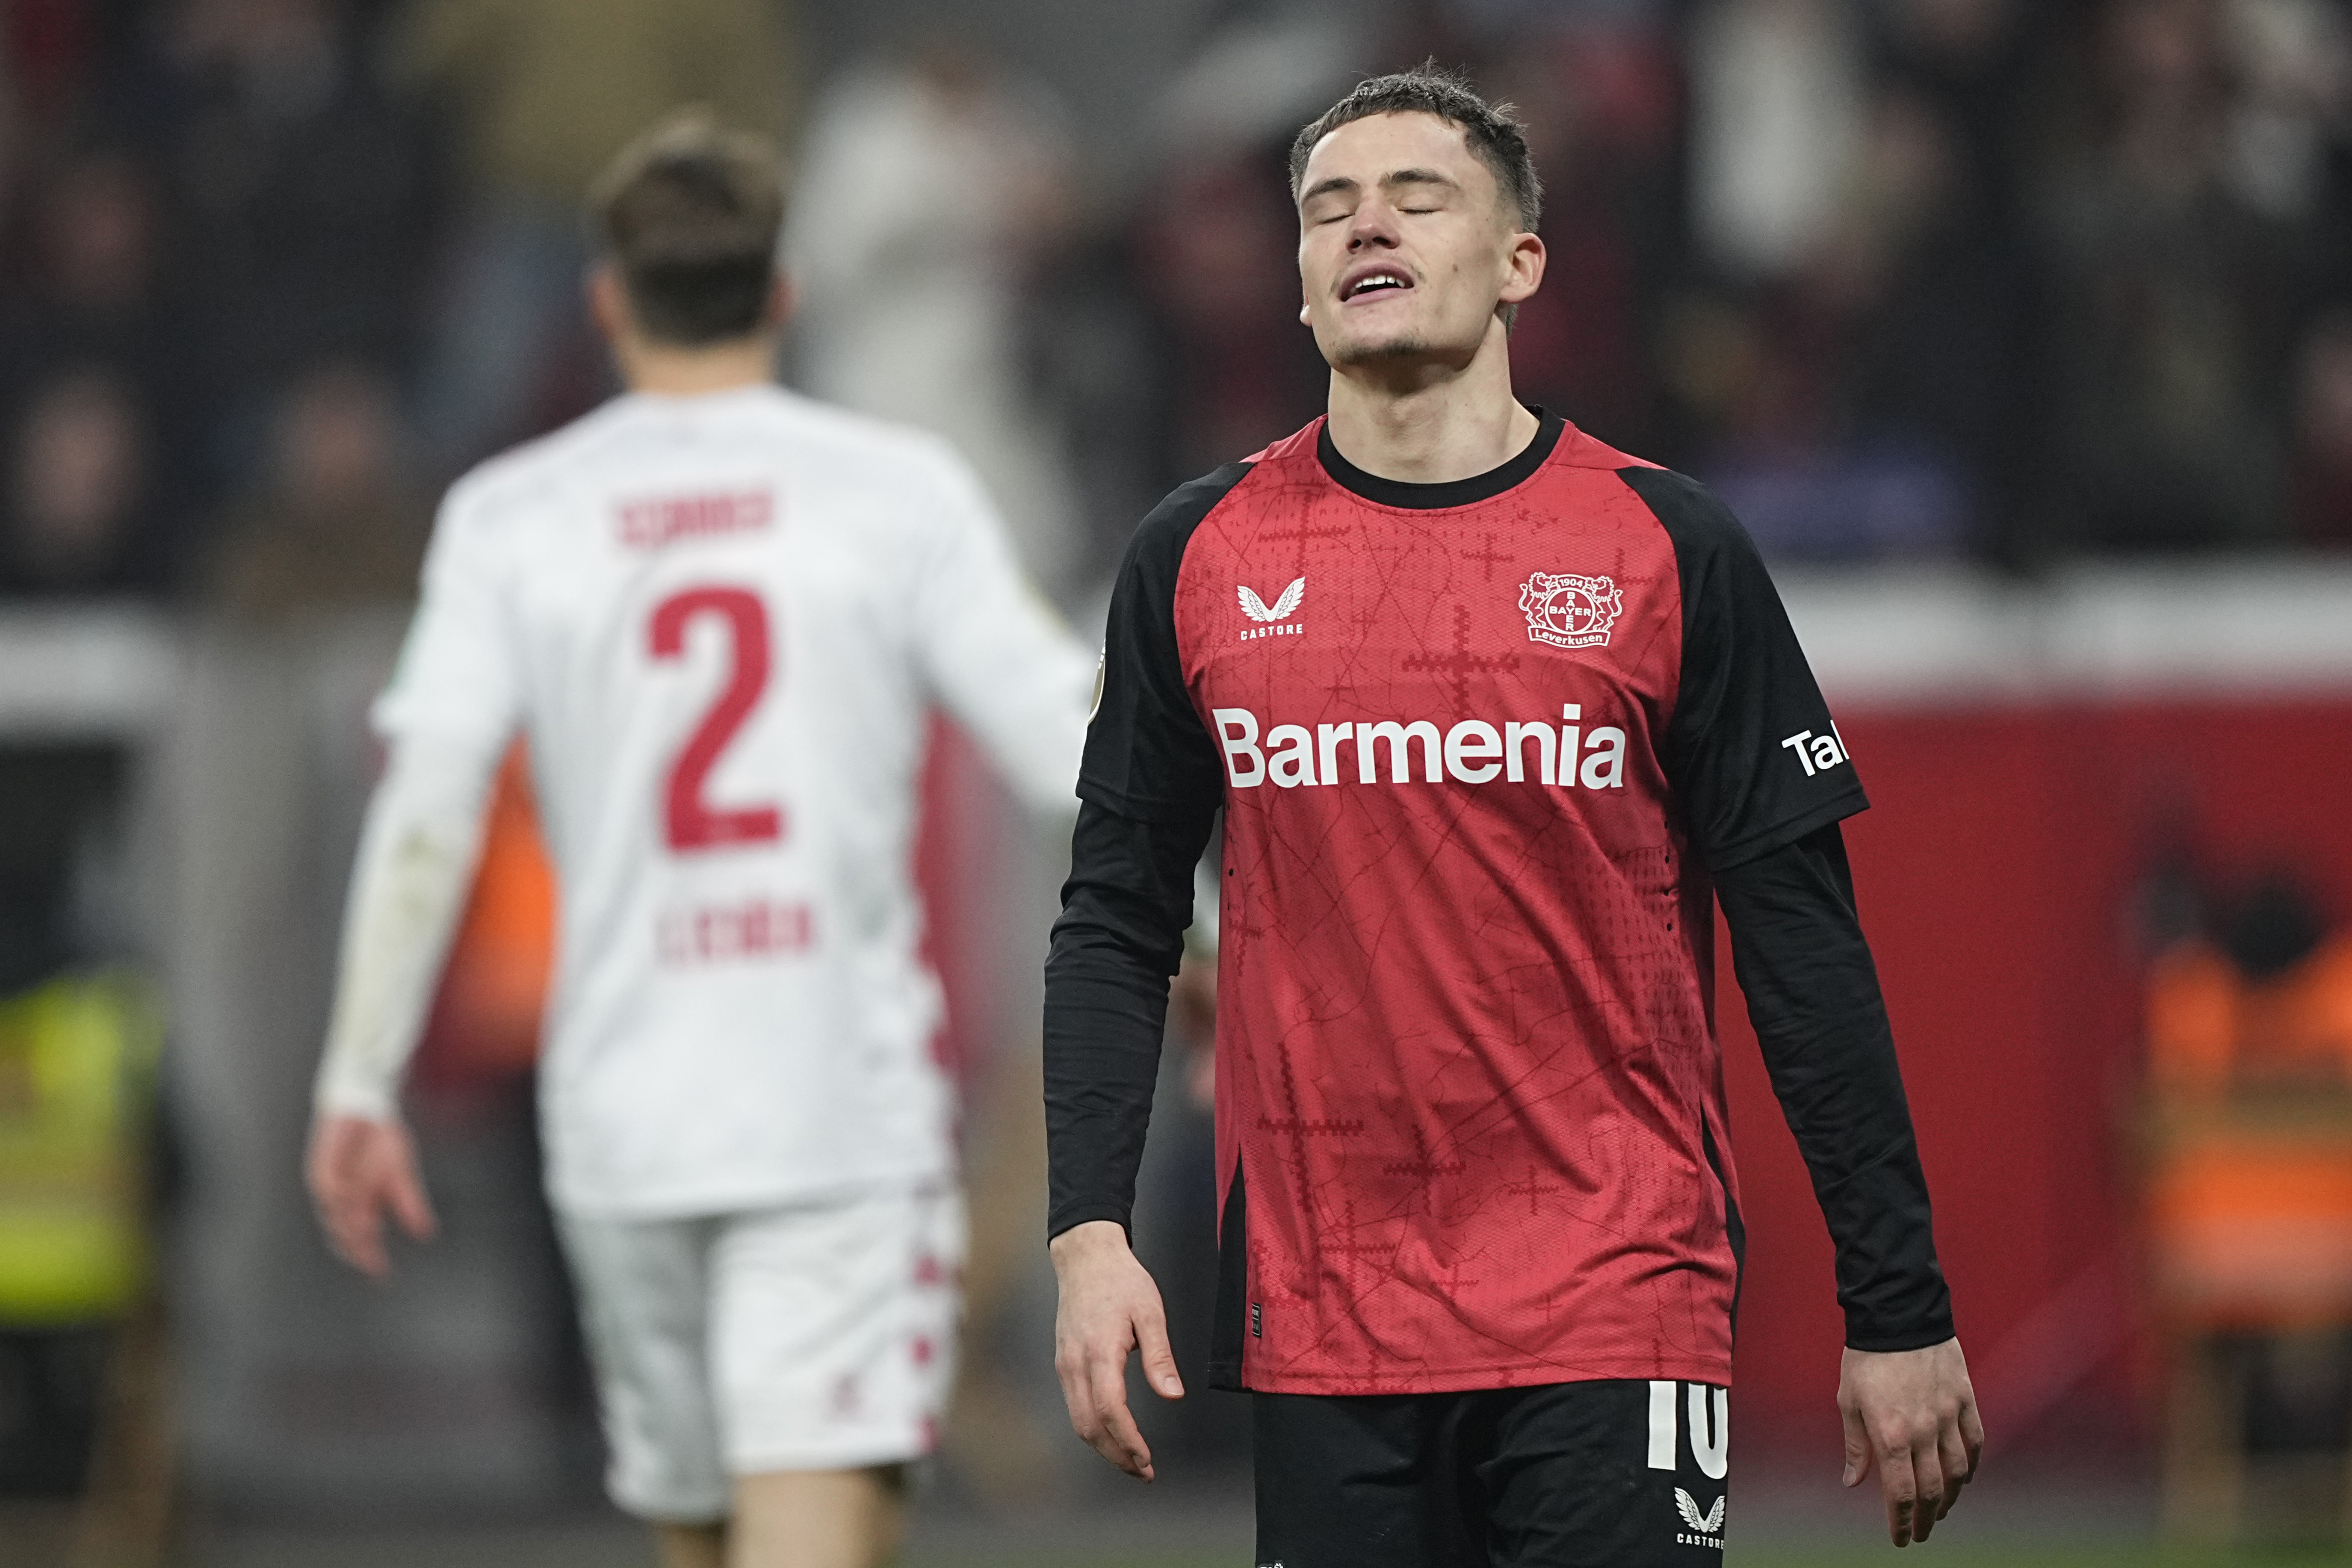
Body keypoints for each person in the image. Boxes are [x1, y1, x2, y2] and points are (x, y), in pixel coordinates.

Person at [1044, 67, 1983, 1564]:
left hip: (1617, 1285)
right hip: (1326, 1317)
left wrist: (1900, 1304)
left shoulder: (1668, 546)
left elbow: (1803, 949)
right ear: (1295, 280)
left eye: (1418, 197)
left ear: (1519, 264)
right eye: (1329, 208)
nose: (1368, 225)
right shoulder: (1194, 557)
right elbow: (1115, 919)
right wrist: (1089, 1234)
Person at [302, 113, 1093, 1568]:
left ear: (607, 302)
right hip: (835, 1103)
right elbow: (1073, 745)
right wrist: (1217, 929)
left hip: (623, 1120)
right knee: (811, 1526)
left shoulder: (512, 515)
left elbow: (427, 811)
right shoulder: (893, 492)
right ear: (783, 296)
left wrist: (359, 1072)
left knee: (703, 1530)